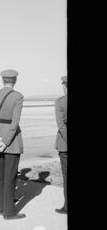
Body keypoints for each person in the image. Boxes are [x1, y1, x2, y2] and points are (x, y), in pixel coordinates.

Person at [0, 69, 26, 220]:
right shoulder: (18, 96)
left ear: (2, 80)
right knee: (10, 177)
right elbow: (15, 123)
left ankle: (1, 208)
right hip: (11, 142)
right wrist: (6, 142)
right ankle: (9, 212)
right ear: (15, 80)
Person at [55, 76, 67, 214]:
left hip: (65, 144)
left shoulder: (60, 102)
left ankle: (67, 206)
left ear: (64, 86)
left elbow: (61, 125)